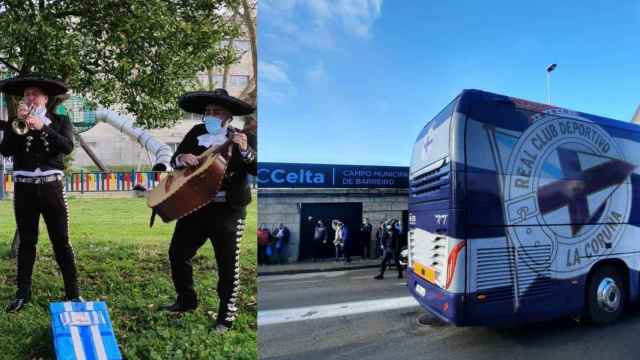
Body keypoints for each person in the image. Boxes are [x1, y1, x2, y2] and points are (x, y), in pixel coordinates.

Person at [159, 88, 256, 333]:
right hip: (195, 206)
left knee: (227, 263)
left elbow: (257, 168)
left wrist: (244, 150)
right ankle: (186, 300)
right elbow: (175, 158)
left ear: (228, 116)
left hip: (228, 209)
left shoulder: (243, 136)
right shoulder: (196, 132)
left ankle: (226, 316)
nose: (211, 115)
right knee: (177, 253)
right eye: (208, 111)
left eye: (216, 111)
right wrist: (182, 159)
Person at [0, 75, 82, 312]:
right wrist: (19, 126)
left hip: (51, 187)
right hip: (24, 188)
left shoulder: (60, 120)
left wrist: (43, 127)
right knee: (27, 242)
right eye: (26, 94)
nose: (30, 97)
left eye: (35, 93)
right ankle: (22, 294)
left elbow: (67, 147)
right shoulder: (16, 122)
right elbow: (4, 150)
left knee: (61, 241)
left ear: (46, 99)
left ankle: (73, 293)